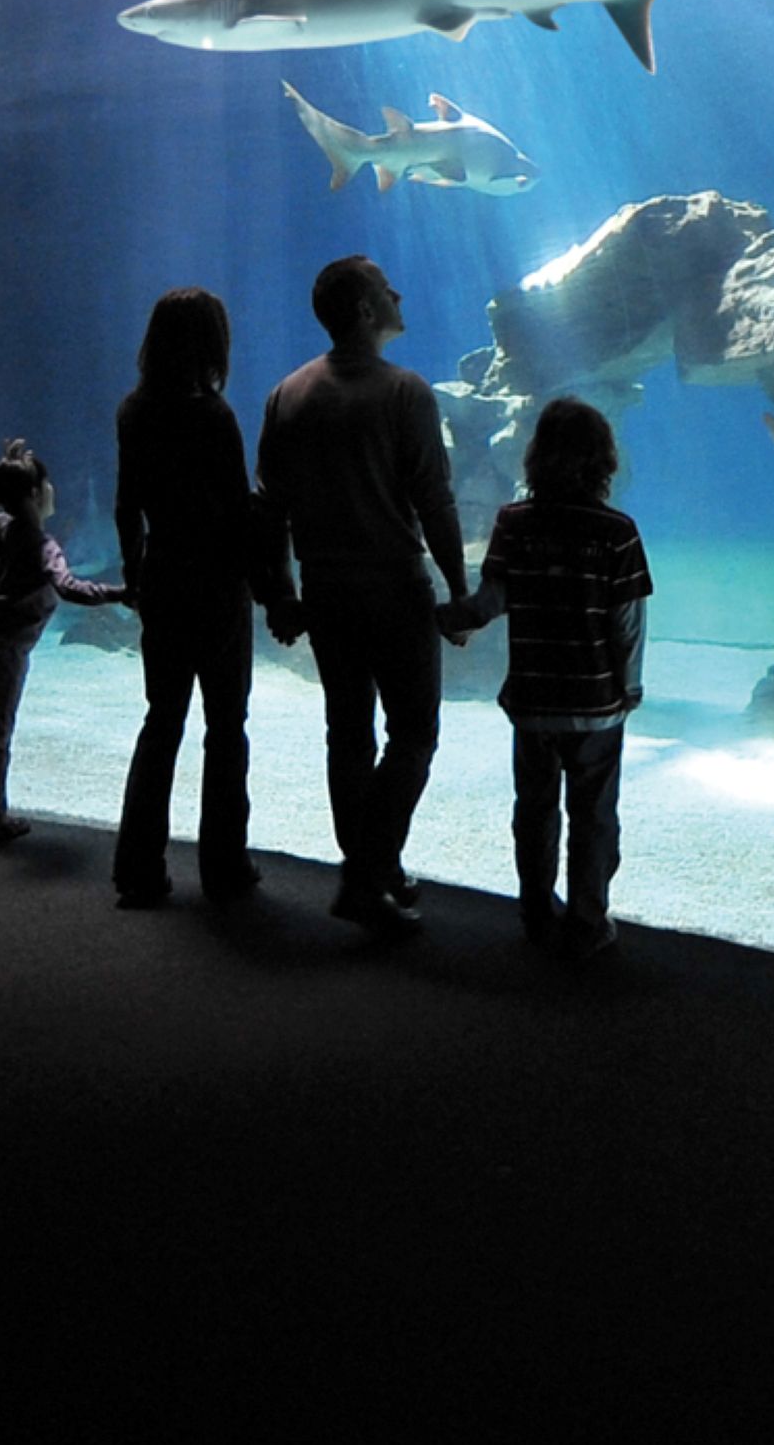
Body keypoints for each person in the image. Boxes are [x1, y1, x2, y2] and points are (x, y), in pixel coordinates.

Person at [255, 254, 468, 938]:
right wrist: (460, 591)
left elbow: (268, 510)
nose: (398, 291)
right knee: (413, 734)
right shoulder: (407, 392)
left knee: (346, 735)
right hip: (395, 591)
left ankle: (376, 867)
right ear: (367, 310)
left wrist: (278, 596)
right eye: (385, 287)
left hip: (325, 593)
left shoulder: (287, 393)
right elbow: (433, 502)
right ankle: (365, 874)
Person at [441, 397, 652, 960]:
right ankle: (586, 923)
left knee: (533, 810)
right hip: (595, 703)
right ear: (603, 460)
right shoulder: (618, 533)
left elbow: (490, 601)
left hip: (533, 700)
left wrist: (453, 618)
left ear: (535, 456)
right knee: (594, 816)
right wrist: (629, 687)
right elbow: (628, 623)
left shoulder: (514, 523)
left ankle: (536, 912)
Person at [109, 288, 292, 908]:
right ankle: (223, 864)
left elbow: (126, 503)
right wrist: (269, 589)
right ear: (212, 345)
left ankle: (136, 867)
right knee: (225, 726)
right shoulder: (214, 417)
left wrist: (136, 576)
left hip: (163, 577)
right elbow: (237, 514)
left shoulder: (133, 410)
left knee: (162, 721)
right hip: (215, 586)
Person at [0, 438, 125, 844]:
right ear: (35, 494)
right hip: (7, 645)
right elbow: (69, 588)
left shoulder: (3, 526)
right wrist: (121, 593)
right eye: (47, 485)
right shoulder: (43, 545)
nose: (53, 491)